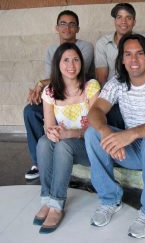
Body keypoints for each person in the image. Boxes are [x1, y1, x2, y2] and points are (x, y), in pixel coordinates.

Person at [84, 34, 145, 239]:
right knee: (92, 132)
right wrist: (106, 133)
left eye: (139, 53)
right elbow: (95, 111)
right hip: (134, 151)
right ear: (121, 59)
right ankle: (110, 199)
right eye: (128, 54)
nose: (134, 59)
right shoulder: (117, 83)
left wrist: (132, 133)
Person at [33, 42, 100, 233]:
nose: (71, 65)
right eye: (66, 60)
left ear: (82, 63)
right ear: (58, 64)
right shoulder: (50, 92)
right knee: (44, 142)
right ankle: (47, 199)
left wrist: (72, 133)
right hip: (63, 145)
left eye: (76, 59)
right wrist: (53, 132)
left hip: (88, 147)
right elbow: (48, 126)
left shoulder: (91, 87)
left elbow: (97, 126)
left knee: (64, 146)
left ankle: (57, 204)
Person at [23, 10, 95, 180]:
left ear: (77, 28)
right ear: (56, 27)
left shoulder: (84, 47)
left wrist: (40, 83)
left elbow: (72, 73)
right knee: (30, 111)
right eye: (63, 23)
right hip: (59, 94)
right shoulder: (51, 50)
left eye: (72, 24)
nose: (67, 27)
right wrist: (41, 90)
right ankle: (39, 163)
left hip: (79, 93)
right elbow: (56, 78)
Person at [94, 3, 136, 129]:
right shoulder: (103, 43)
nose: (123, 21)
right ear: (114, 21)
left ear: (134, 22)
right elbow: (102, 78)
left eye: (128, 18)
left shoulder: (141, 42)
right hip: (112, 94)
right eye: (119, 17)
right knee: (113, 113)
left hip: (135, 93)